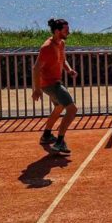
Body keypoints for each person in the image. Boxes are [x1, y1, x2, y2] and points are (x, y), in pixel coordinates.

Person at [32, 17, 78, 154]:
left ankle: (46, 135)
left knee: (59, 107)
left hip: (55, 82)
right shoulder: (46, 47)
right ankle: (60, 142)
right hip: (50, 84)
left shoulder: (61, 43)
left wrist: (69, 70)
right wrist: (37, 89)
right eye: (66, 30)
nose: (68, 32)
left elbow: (62, 60)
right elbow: (36, 69)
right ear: (57, 31)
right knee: (72, 109)